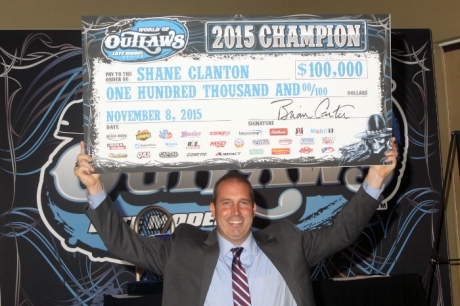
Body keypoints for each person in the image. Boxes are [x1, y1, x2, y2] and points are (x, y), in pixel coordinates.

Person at [74, 138, 398, 306]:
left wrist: (374, 179)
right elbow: (121, 242)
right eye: (226, 203)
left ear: (254, 209)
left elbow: (343, 232)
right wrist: (95, 188)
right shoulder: (180, 252)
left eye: (243, 203)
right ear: (213, 211)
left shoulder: (290, 245)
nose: (235, 211)